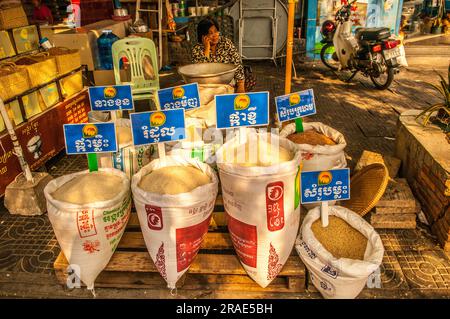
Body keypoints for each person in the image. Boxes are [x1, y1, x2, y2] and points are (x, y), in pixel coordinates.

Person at [192, 18, 245, 93]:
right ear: (203, 36)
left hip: (227, 83)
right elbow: (201, 72)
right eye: (210, 33)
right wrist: (207, 49)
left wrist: (241, 85)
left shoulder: (225, 42)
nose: (215, 35)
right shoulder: (197, 49)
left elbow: (237, 64)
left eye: (216, 31)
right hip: (207, 86)